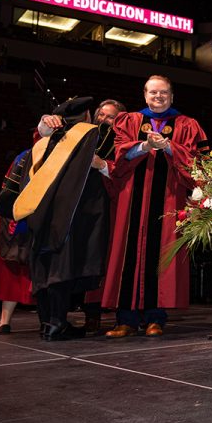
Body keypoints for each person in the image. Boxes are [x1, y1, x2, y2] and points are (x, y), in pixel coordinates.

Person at [0, 96, 111, 341]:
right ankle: (57, 324)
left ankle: (47, 323)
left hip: (41, 218)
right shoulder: (90, 137)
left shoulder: (44, 143)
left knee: (43, 268)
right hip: (71, 217)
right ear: (87, 117)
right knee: (61, 268)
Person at [101, 77, 206, 337]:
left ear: (172, 95)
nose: (158, 97)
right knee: (127, 253)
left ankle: (155, 319)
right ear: (145, 95)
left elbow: (198, 164)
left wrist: (169, 147)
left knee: (161, 254)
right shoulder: (129, 121)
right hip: (131, 199)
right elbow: (117, 156)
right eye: (153, 92)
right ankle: (124, 320)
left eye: (164, 92)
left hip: (169, 199)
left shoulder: (188, 125)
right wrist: (145, 146)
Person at [38, 97, 126, 333]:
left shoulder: (117, 140)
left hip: (93, 209)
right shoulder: (73, 132)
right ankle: (53, 321)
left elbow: (122, 175)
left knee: (79, 262)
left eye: (111, 117)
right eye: (101, 115)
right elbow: (43, 135)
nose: (104, 120)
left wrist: (101, 165)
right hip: (64, 208)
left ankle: (61, 321)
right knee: (59, 262)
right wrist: (46, 121)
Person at [0, 151, 34, 333]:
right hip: (19, 220)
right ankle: (5, 321)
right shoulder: (27, 156)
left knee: (15, 272)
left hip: (15, 218)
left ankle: (4, 322)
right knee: (16, 272)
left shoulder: (22, 156)